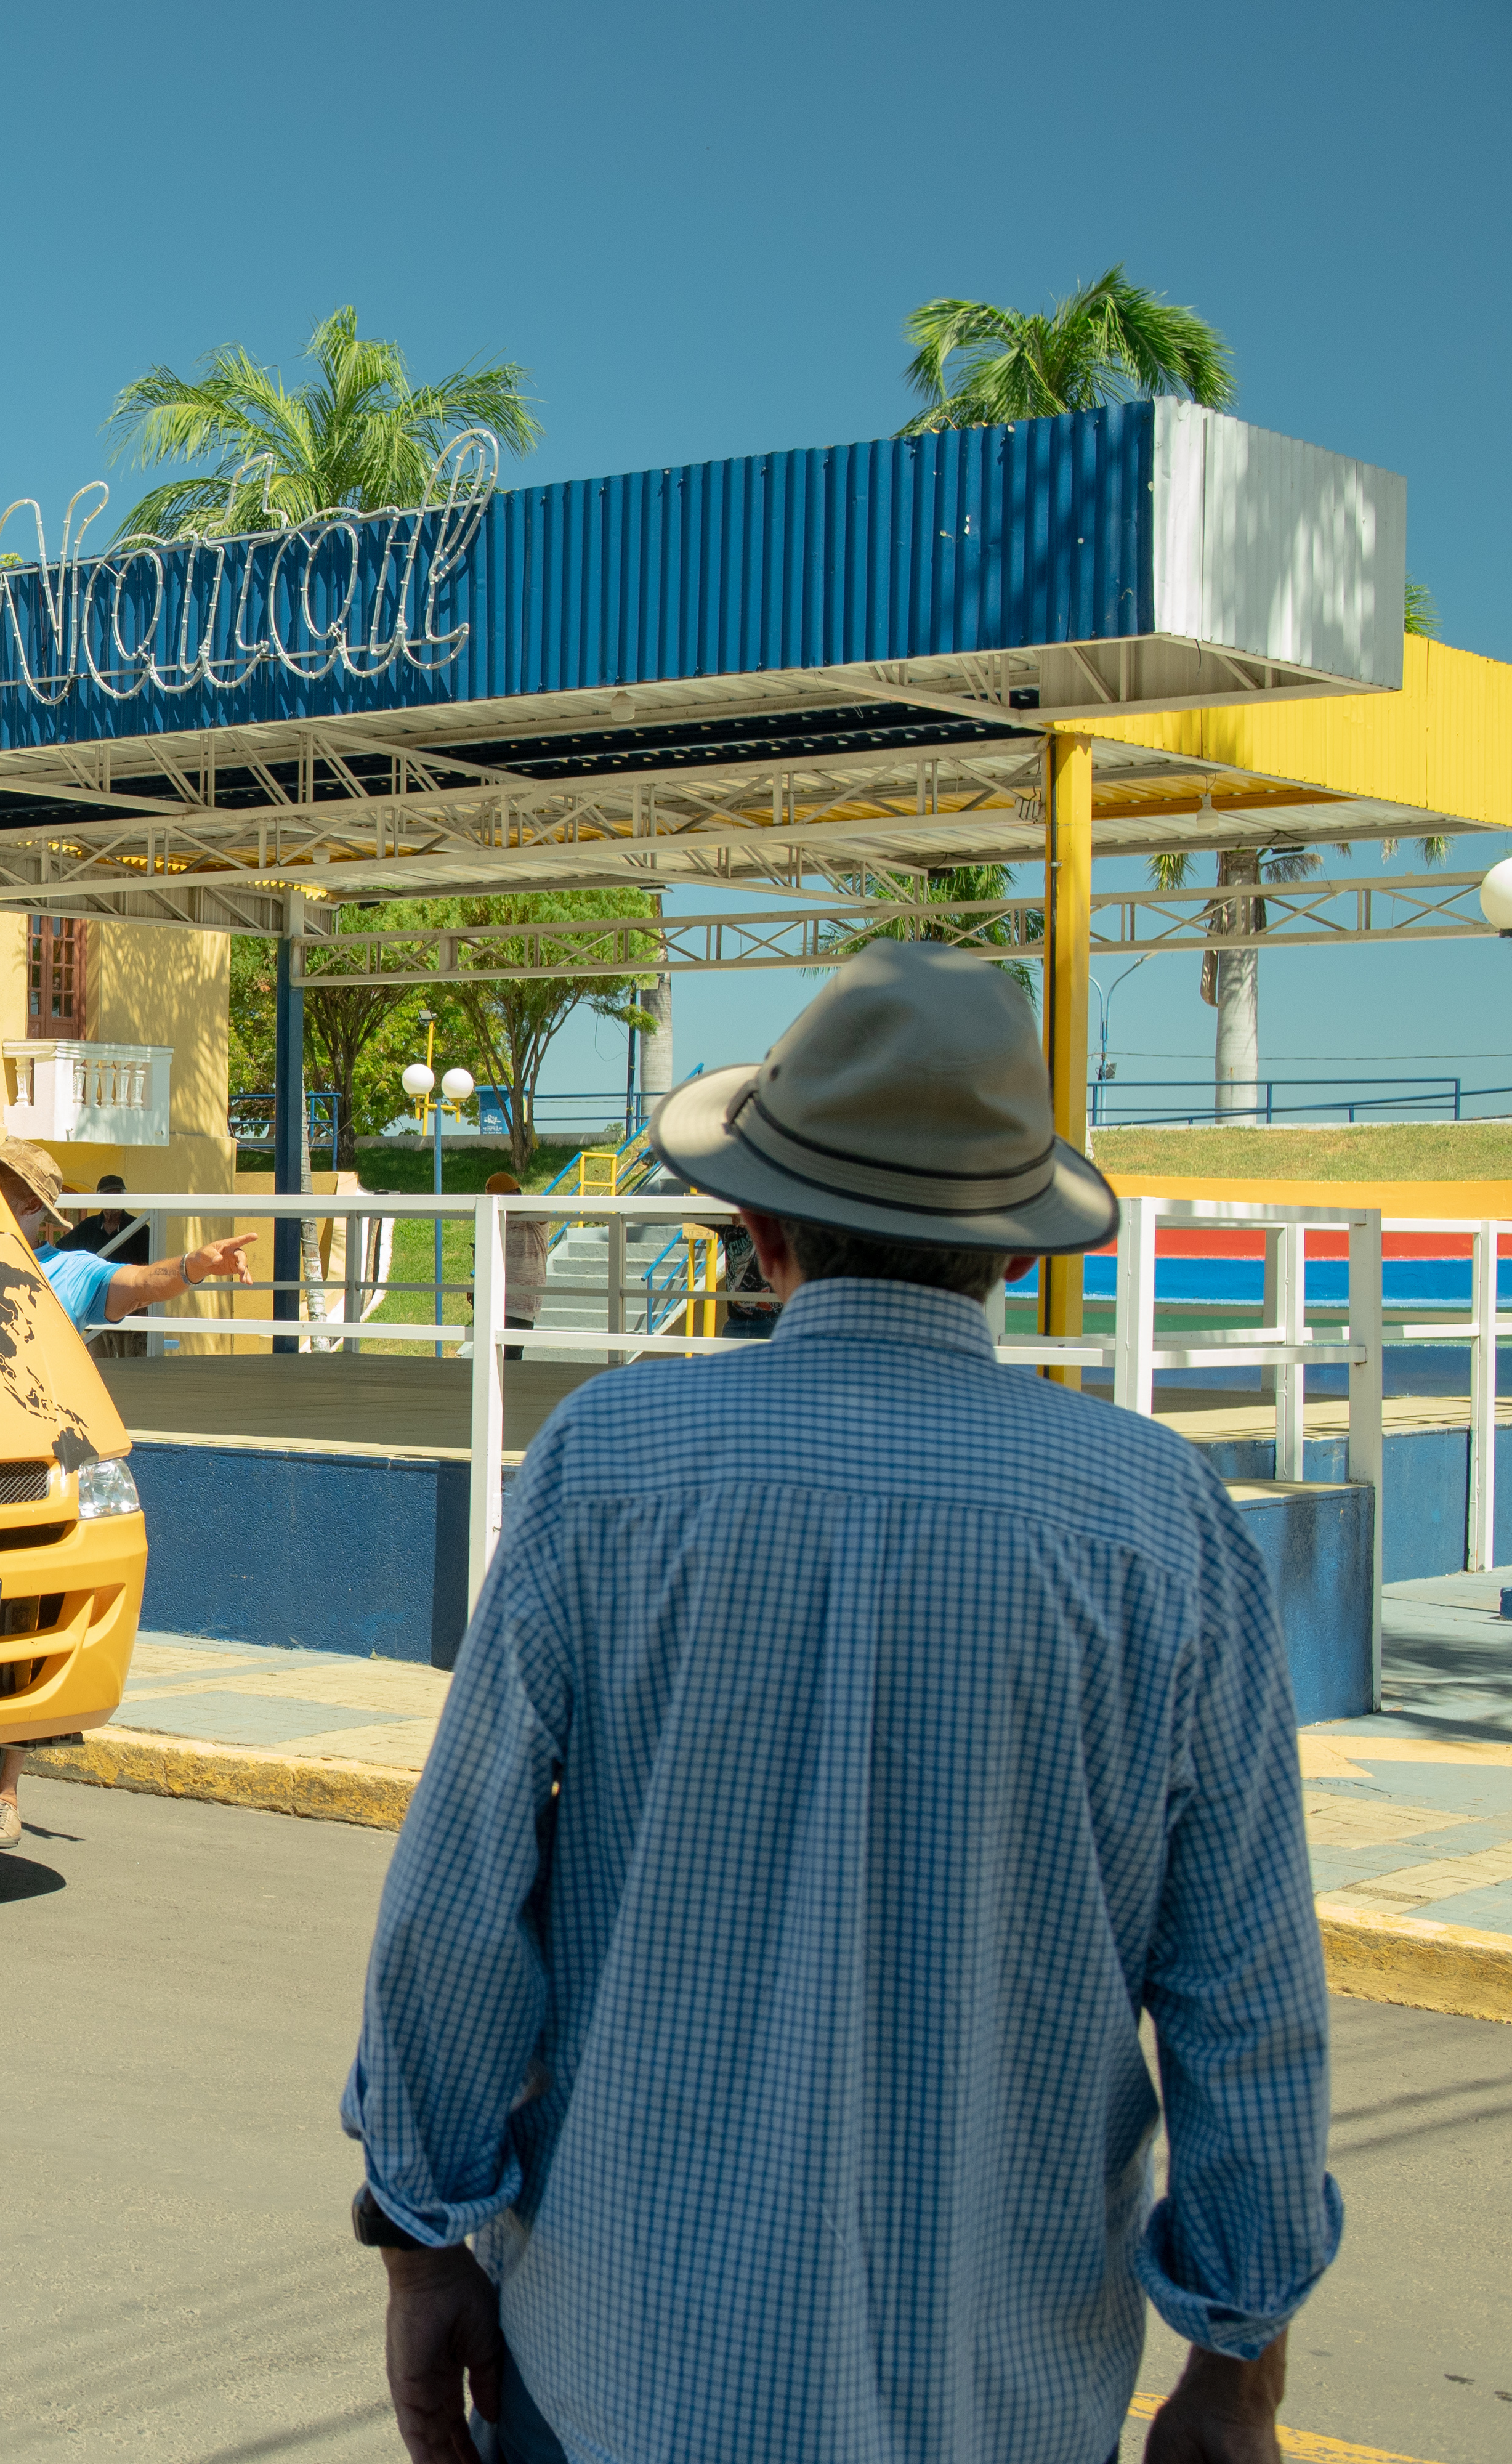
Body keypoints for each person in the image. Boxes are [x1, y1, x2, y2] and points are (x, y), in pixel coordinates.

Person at [342, 941, 1336, 2464]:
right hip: (1005, 2399)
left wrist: (424, 2243)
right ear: (1016, 1252)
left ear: (756, 1224)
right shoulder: (1162, 1520)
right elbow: (1244, 1986)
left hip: (616, 2377)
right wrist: (1237, 2358)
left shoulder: (607, 1468)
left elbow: (459, 1908)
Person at [0, 1138, 251, 1849]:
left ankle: (2, 1794)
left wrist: (193, 1267)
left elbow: (138, 1283)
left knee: (20, 1618)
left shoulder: (68, 1271)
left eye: (4, 1186)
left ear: (34, 1209)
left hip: (28, 1471)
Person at [67, 1174, 155, 1361]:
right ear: (99, 1197)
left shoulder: (139, 1228)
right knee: (99, 1366)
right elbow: (62, 1252)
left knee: (130, 1365)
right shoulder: (88, 1227)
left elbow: (150, 1270)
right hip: (93, 1306)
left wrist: (144, 1310)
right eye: (108, 1193)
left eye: (117, 1193)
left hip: (128, 1306)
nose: (113, 1198)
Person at [479, 1170, 548, 1355]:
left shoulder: (533, 1219)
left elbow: (544, 1210)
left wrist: (510, 1204)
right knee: (488, 1358)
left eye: (497, 1198)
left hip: (521, 1304)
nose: (494, 1203)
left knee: (509, 1359)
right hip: (493, 1300)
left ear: (515, 1195)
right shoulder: (493, 1220)